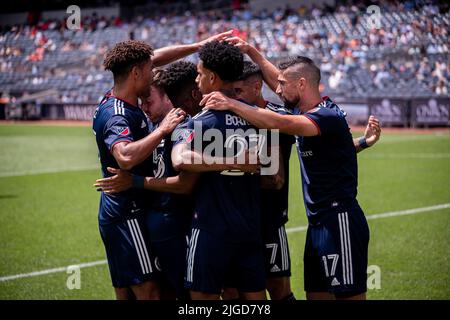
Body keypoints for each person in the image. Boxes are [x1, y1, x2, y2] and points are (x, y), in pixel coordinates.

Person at [201, 53, 380, 300]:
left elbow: (280, 123)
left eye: (283, 84)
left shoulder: (324, 115)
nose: (277, 87)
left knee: (349, 296)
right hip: (317, 224)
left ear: (302, 85)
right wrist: (251, 51)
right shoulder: (308, 111)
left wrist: (232, 104)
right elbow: (340, 149)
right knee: (315, 296)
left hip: (340, 220)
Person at [171, 41, 266, 300]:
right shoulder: (260, 119)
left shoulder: (197, 122)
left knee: (202, 299)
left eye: (200, 74)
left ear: (212, 78)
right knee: (256, 299)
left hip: (210, 228)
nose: (197, 79)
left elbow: (180, 159)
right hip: (250, 226)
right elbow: (275, 178)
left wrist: (229, 162)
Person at [93, 40, 186, 300]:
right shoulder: (117, 114)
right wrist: (162, 130)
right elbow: (124, 156)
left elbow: (159, 57)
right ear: (135, 73)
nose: (153, 72)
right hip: (126, 213)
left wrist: (199, 45)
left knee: (127, 291)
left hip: (125, 211)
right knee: (149, 292)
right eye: (148, 69)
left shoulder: (120, 96)